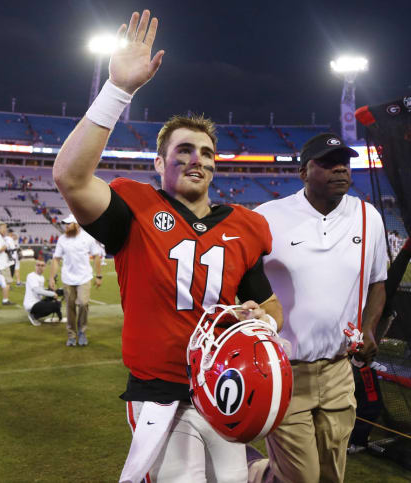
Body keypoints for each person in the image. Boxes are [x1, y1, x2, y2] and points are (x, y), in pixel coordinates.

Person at [52, 10, 283, 482]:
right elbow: (70, 178)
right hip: (160, 393)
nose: (197, 159)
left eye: (206, 153)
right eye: (183, 150)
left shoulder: (246, 224)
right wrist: (118, 90)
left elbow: (270, 304)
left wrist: (264, 319)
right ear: (159, 161)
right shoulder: (135, 207)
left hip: (224, 386)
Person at [250, 133, 388, 483]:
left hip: (339, 372)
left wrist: (369, 329)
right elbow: (242, 282)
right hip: (285, 373)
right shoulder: (267, 217)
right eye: (327, 163)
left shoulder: (368, 216)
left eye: (344, 161)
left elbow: (377, 282)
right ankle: (251, 472)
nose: (340, 168)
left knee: (330, 476)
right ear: (304, 172)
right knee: (300, 477)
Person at [49, 214, 102, 346]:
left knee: (83, 304)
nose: (66, 226)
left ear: (77, 224)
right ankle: (71, 335)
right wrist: (51, 277)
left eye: (69, 224)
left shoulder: (88, 237)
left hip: (84, 277)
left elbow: (96, 256)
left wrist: (99, 276)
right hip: (67, 278)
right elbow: (56, 259)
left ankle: (82, 331)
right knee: (70, 307)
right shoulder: (62, 239)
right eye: (65, 224)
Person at [24, 257, 62, 326]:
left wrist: (54, 291)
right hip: (31, 304)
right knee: (55, 305)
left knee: (58, 298)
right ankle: (34, 316)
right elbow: (37, 290)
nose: (40, 267)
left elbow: (41, 290)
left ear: (45, 267)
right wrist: (52, 293)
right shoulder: (31, 276)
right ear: (35, 266)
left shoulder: (42, 277)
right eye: (38, 265)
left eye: (42, 265)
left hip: (37, 302)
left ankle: (59, 317)